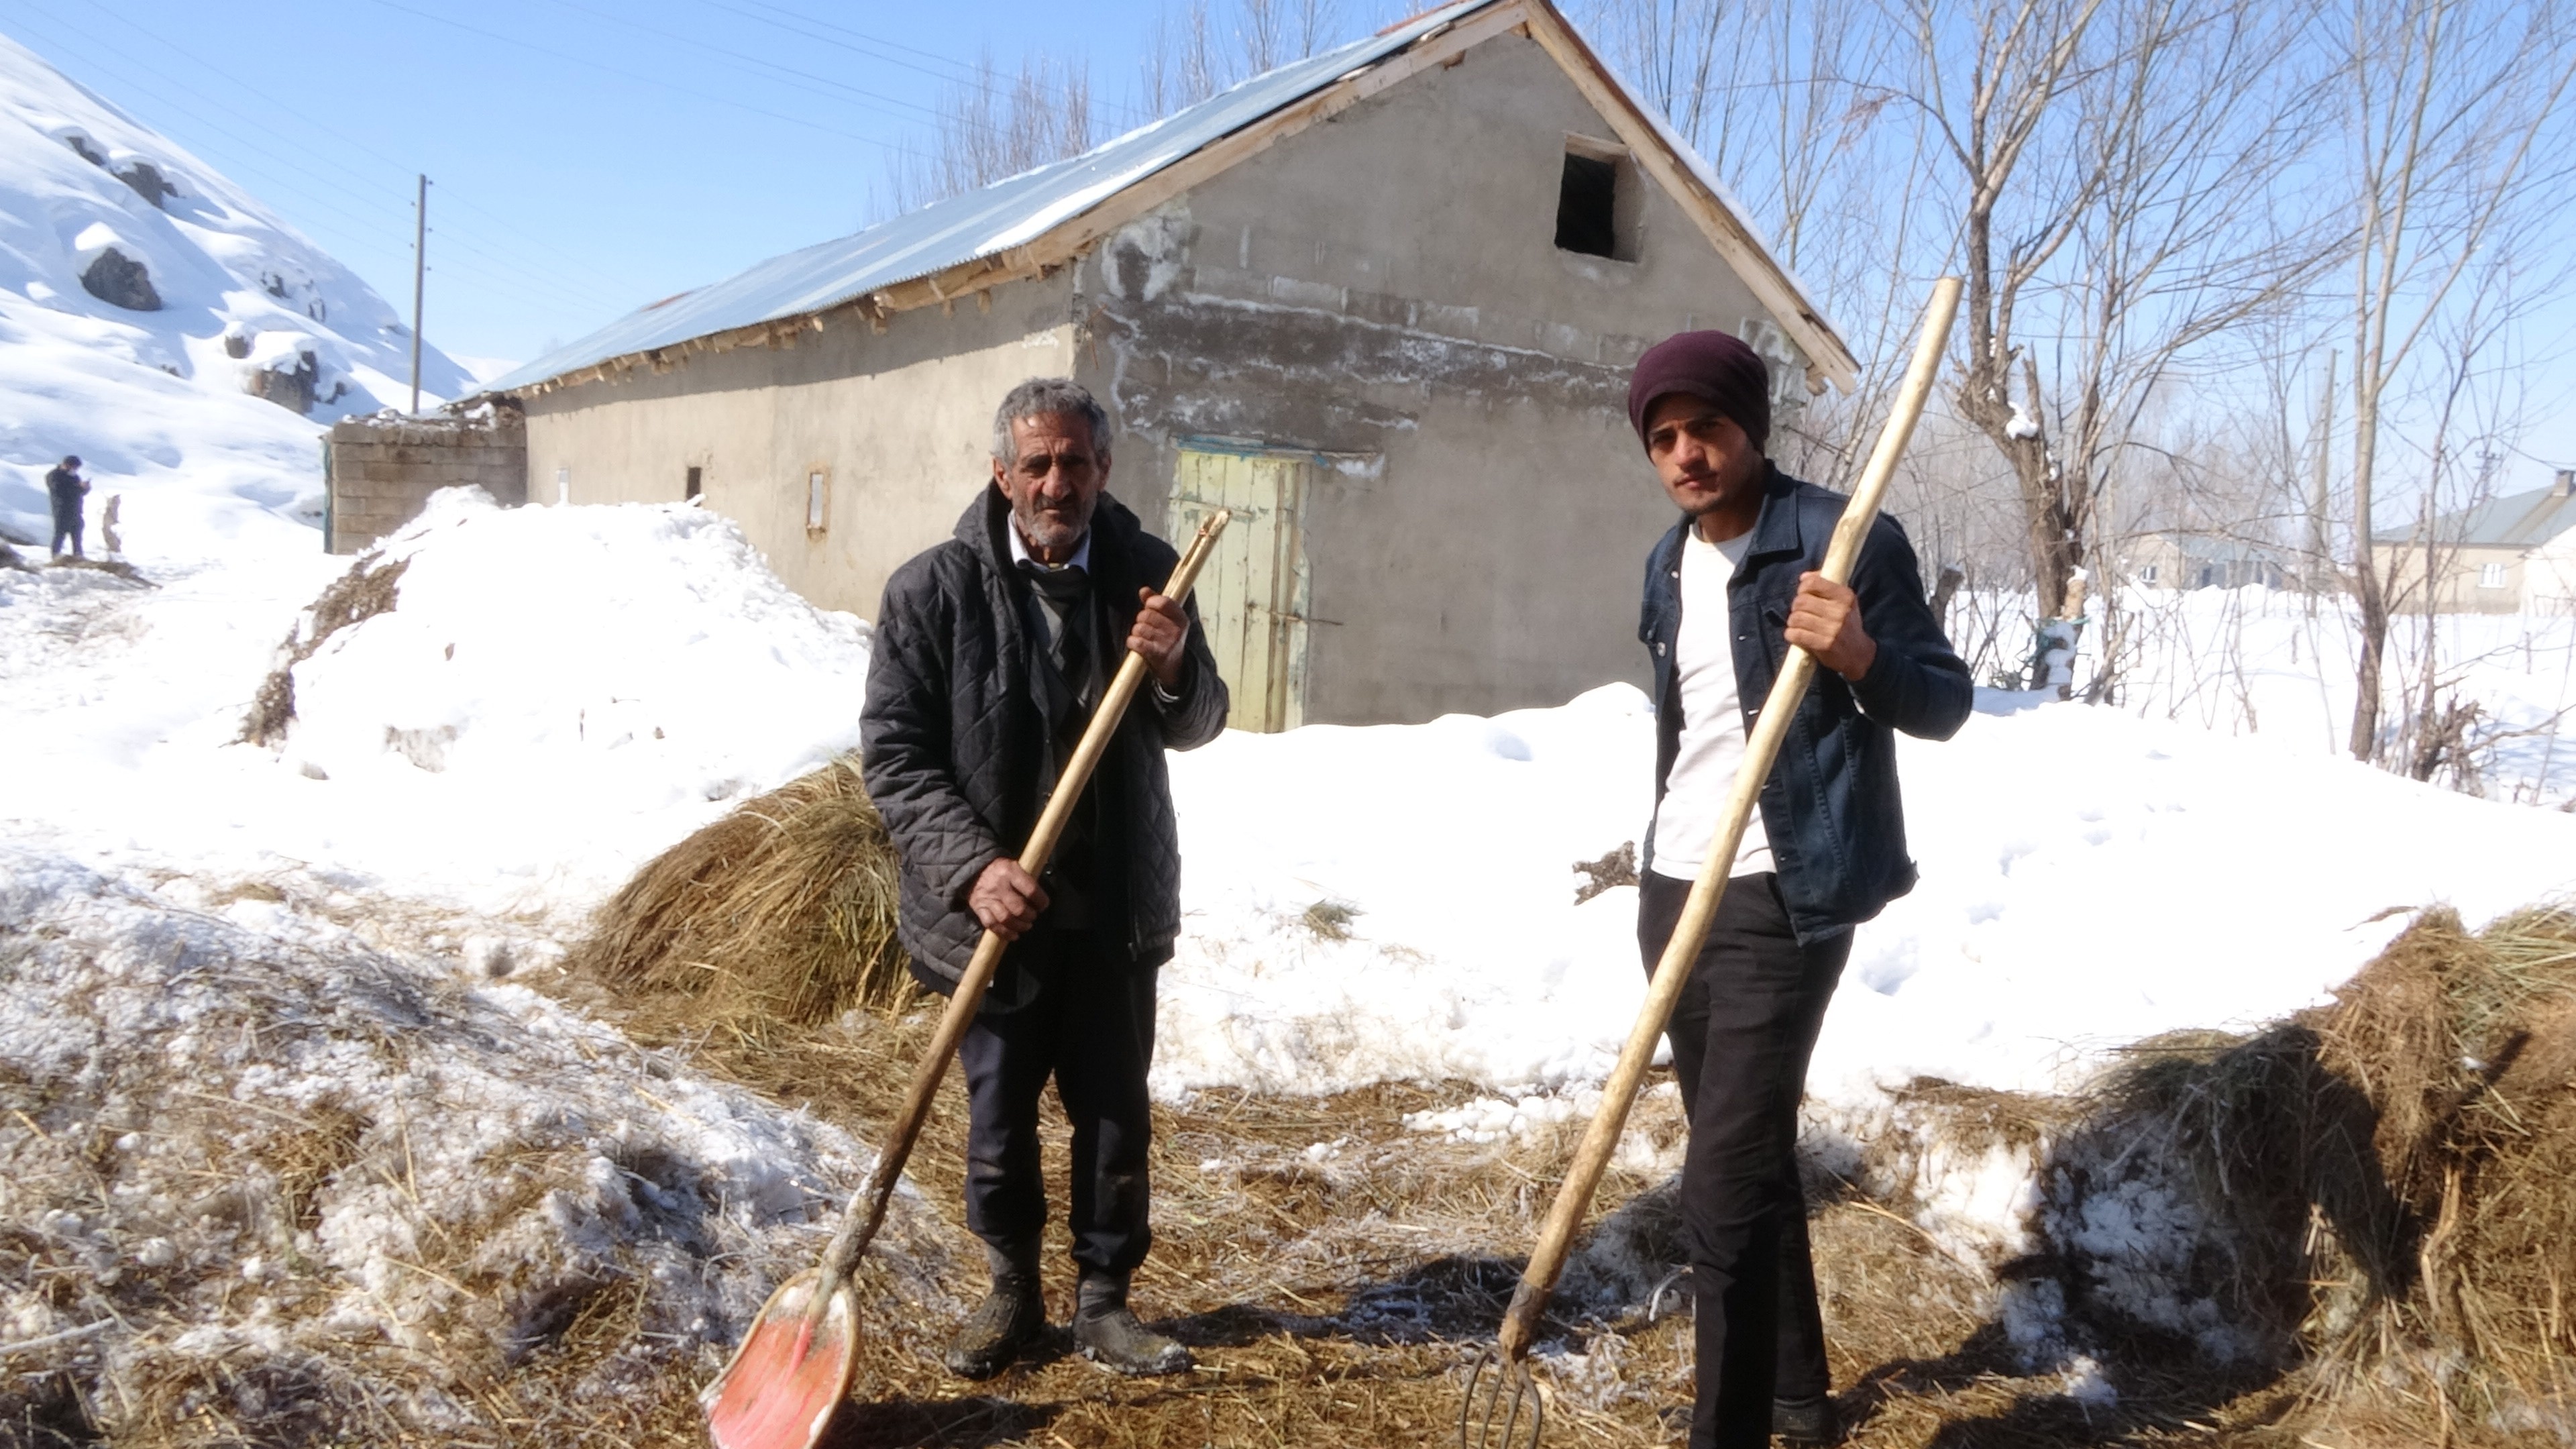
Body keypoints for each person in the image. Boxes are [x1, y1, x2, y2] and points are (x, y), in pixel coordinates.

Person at [1627, 332, 1971, 1448]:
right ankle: (1796, 1396)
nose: (1687, 455)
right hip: (1677, 889)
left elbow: (1945, 703)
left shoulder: (1842, 539)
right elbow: (1690, 735)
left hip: (1787, 894)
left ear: (1752, 429)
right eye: (1664, 437)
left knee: (1717, 1191)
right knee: (1753, 1155)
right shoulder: (1664, 563)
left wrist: (1864, 655)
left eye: (1708, 429)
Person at [862, 377, 1229, 1381]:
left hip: (1113, 907)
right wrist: (972, 869)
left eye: (1075, 461)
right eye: (1037, 463)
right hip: (994, 917)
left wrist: (1171, 667)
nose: (1057, 482)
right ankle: (1012, 1295)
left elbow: (1200, 723)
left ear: (1104, 469)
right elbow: (894, 758)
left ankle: (1105, 1305)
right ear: (1001, 473)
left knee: (1115, 1115)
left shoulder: (1152, 574)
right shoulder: (931, 591)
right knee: (998, 1116)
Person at [45, 456, 87, 559]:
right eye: (74, 467)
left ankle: (78, 557)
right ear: (66, 465)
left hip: (76, 511)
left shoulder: (75, 477)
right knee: (60, 534)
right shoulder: (54, 475)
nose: (75, 470)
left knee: (77, 536)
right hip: (61, 510)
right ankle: (55, 557)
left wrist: (85, 489)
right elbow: (59, 490)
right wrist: (78, 488)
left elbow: (79, 493)